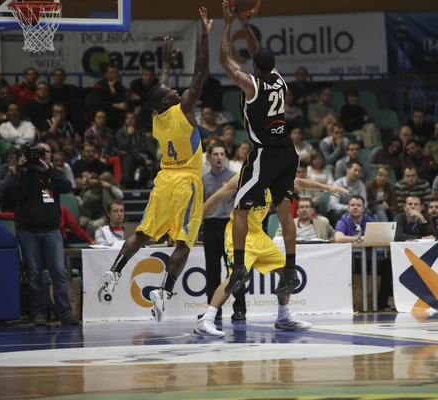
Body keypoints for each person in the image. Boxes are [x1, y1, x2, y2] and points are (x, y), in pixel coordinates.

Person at [99, 10, 213, 322]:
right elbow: (201, 73)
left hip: (163, 181)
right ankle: (165, 289)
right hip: (186, 183)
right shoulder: (185, 109)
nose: (175, 90)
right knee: (184, 241)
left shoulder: (158, 117)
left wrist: (165, 64)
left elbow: (159, 90)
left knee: (144, 233)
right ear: (168, 102)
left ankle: (115, 272)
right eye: (171, 93)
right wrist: (205, 34)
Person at [194, 173, 347, 337]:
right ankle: (206, 320)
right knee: (235, 277)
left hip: (258, 234)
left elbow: (300, 182)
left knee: (287, 272)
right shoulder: (242, 177)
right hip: (238, 234)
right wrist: (194, 226)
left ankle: (283, 317)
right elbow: (215, 199)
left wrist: (326, 187)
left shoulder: (275, 178)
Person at [219, 2, 300, 298]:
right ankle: (290, 271)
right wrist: (246, 26)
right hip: (288, 152)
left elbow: (225, 60)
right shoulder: (279, 79)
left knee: (240, 208)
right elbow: (258, 53)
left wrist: (227, 23)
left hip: (265, 153)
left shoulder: (251, 86)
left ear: (255, 67)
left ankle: (239, 267)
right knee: (284, 213)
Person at [13, 142, 78, 325]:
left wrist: (47, 169)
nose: (42, 155)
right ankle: (38, 313)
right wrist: (23, 170)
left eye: (46, 152)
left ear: (50, 155)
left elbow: (67, 187)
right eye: (39, 153)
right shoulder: (24, 172)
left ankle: (65, 312)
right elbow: (16, 194)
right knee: (34, 273)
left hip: (52, 230)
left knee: (58, 271)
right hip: (28, 230)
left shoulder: (54, 173)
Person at [201, 141, 246, 321]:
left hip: (230, 226)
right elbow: (200, 207)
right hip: (210, 226)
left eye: (222, 154)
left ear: (225, 157)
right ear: (209, 157)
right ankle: (214, 310)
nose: (219, 157)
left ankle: (240, 309)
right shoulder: (203, 180)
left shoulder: (235, 177)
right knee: (212, 271)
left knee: (235, 270)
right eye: (215, 154)